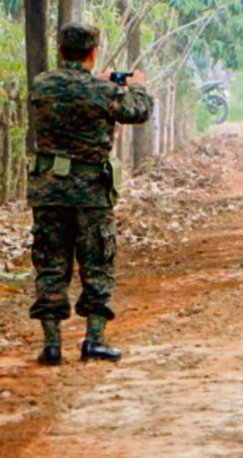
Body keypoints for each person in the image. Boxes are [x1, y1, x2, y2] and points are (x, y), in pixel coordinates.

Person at [27, 22, 153, 366]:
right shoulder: (102, 91)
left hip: (49, 189)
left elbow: (67, 92)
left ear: (61, 50)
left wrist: (96, 79)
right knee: (97, 264)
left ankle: (51, 345)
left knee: (50, 265)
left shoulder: (42, 84)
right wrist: (137, 86)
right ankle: (93, 340)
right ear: (92, 51)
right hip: (90, 194)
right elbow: (137, 112)